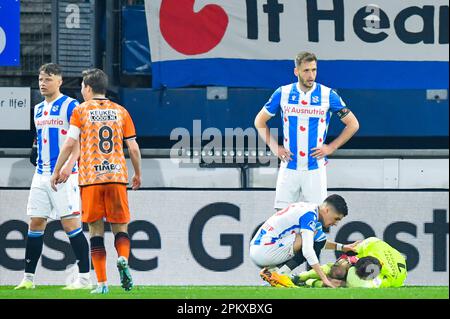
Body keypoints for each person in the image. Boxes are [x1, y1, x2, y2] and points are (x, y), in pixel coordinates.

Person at [50, 68, 142, 294]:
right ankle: (123, 259)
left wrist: (57, 170)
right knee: (121, 228)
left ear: (88, 88)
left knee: (96, 231)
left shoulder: (80, 111)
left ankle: (101, 285)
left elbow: (70, 144)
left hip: (91, 179)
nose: (81, 90)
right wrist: (137, 173)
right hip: (116, 177)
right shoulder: (121, 111)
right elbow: (132, 147)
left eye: (82, 86)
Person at [15, 63, 91, 290]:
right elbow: (40, 138)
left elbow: (79, 140)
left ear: (59, 81)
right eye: (40, 79)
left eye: (48, 79)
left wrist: (70, 165)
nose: (42, 83)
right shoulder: (38, 109)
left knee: (70, 225)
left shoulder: (71, 105)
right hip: (41, 174)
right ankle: (28, 279)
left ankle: (85, 279)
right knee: (36, 222)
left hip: (65, 176)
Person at [254, 51, 360, 210]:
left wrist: (331, 147)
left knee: (317, 219)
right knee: (281, 219)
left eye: (314, 70)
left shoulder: (328, 95)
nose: (311, 75)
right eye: (306, 70)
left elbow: (353, 124)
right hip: (289, 165)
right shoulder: (283, 93)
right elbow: (259, 121)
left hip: (315, 168)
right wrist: (275, 147)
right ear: (296, 71)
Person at [249, 194, 359, 288]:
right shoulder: (309, 216)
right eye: (336, 219)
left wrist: (343, 247)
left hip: (260, 247)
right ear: (327, 210)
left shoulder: (311, 210)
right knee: (311, 239)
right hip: (264, 251)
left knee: (315, 238)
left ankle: (273, 273)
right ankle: (279, 274)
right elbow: (307, 250)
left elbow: (320, 242)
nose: (336, 223)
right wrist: (324, 278)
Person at [291, 237, 408, 288]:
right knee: (339, 270)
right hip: (378, 253)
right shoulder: (370, 244)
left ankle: (309, 282)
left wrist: (346, 282)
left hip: (393, 268)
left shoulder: (387, 279)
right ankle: (300, 277)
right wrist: (344, 262)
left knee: (344, 284)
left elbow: (364, 286)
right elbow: (350, 251)